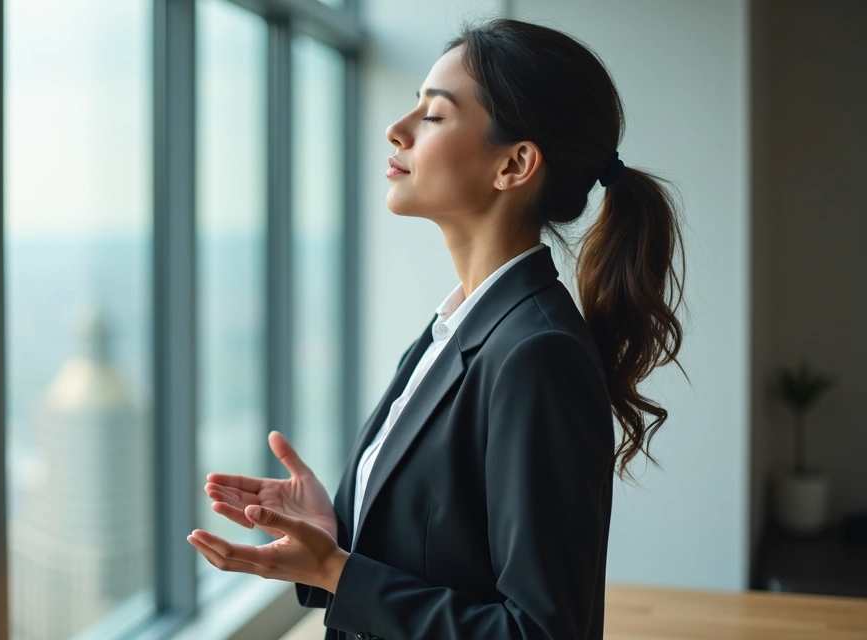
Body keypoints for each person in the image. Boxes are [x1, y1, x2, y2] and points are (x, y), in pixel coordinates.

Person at [187, 17, 685, 640]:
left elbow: (538, 632)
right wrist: (336, 530)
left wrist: (340, 571)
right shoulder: (453, 329)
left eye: (434, 115)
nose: (396, 130)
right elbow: (444, 553)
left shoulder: (537, 354)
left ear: (515, 164)